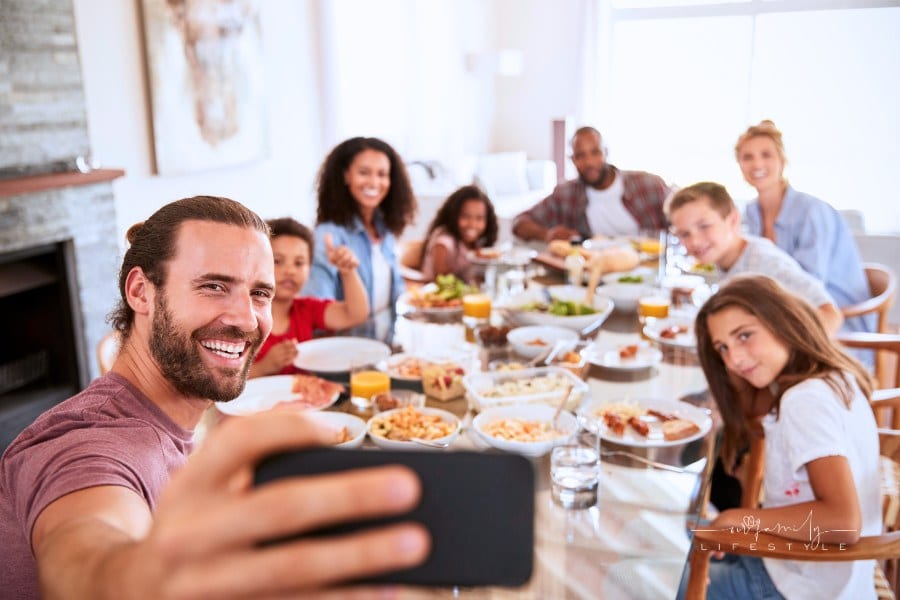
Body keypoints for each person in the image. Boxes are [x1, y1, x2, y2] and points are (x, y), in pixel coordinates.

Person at [0, 196, 430, 599]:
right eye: (213, 286)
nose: (246, 319)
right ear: (140, 292)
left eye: (260, 293)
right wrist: (129, 578)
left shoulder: (181, 419)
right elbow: (85, 550)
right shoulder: (85, 443)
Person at [679, 274, 881, 599]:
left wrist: (740, 519)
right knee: (684, 531)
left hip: (794, 586)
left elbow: (843, 523)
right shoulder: (830, 375)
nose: (734, 360)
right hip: (829, 578)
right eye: (723, 348)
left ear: (782, 322)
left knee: (640, 577)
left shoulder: (804, 401)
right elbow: (757, 418)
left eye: (744, 336)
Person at [735, 120, 873, 333]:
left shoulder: (811, 211)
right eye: (747, 157)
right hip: (785, 315)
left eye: (766, 155)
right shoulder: (751, 212)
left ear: (782, 160)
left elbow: (810, 287)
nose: (757, 164)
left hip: (835, 321)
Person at [666, 181, 844, 335]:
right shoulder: (726, 261)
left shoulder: (764, 263)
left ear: (733, 220)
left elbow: (829, 314)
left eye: (704, 226)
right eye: (684, 234)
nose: (695, 241)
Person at [304, 137, 417, 342]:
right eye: (364, 172)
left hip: (384, 346)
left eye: (382, 174)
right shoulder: (328, 236)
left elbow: (395, 292)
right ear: (346, 176)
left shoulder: (384, 229)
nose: (374, 182)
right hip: (346, 355)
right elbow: (316, 313)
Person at [249, 217, 369, 377]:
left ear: (310, 269)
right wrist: (265, 366)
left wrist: (347, 272)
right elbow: (224, 380)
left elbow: (355, 314)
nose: (290, 271)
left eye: (299, 263)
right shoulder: (245, 316)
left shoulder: (306, 309)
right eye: (278, 261)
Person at [512, 126, 670, 242]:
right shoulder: (566, 195)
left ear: (606, 153)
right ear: (573, 160)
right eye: (580, 155)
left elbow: (683, 216)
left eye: (595, 152)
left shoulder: (648, 185)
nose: (589, 162)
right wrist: (546, 234)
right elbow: (519, 222)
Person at [420, 184, 499, 282]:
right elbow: (443, 281)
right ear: (453, 215)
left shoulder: (476, 243)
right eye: (465, 216)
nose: (472, 224)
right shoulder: (443, 243)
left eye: (479, 218)